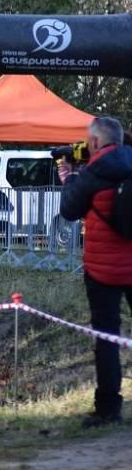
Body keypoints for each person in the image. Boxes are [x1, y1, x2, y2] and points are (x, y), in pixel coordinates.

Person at [58, 116, 132, 427]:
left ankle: (108, 408)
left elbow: (70, 211)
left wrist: (69, 179)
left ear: (95, 143)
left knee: (107, 338)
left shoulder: (90, 174)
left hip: (103, 271)